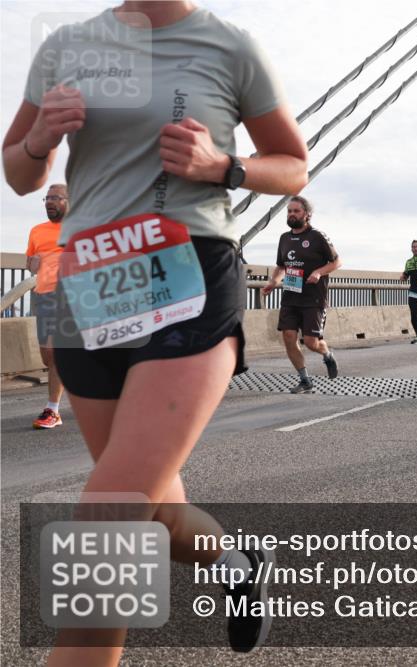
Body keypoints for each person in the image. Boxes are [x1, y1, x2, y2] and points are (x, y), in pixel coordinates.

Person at [2, 1, 309, 662]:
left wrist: (222, 165)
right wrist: (40, 141)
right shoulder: (67, 45)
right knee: (156, 513)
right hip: (92, 289)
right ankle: (238, 564)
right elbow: (18, 172)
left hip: (187, 275)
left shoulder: (231, 46)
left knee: (107, 525)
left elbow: (292, 165)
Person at [262, 196, 341, 393]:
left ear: (307, 214)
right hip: (291, 295)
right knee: (288, 336)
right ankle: (305, 379)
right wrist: (274, 282)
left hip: (314, 297)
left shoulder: (318, 236)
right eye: (289, 211)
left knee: (311, 342)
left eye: (296, 211)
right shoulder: (284, 238)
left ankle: (327, 355)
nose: (291, 214)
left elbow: (337, 262)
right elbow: (282, 266)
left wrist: (318, 272)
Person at [25, 184, 68, 429]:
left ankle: (52, 410)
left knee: (57, 353)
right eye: (47, 198)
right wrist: (35, 263)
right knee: (47, 356)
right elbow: (29, 264)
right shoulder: (37, 231)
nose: (49, 202)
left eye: (55, 198)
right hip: (44, 297)